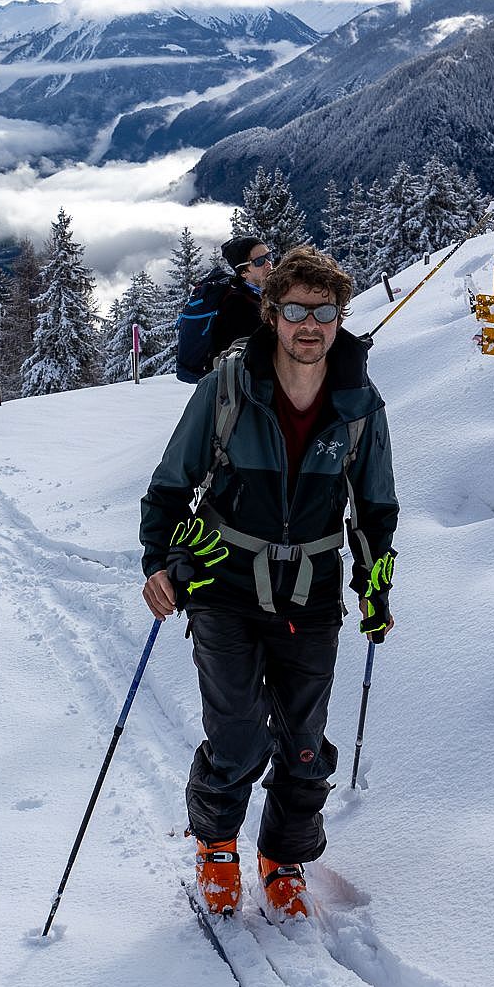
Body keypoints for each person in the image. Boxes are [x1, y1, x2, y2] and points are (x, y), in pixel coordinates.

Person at [139, 247, 399, 921]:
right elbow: (169, 487)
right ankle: (218, 843)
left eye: (323, 310)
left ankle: (282, 854)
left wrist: (375, 585)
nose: (308, 324)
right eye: (294, 310)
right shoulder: (228, 388)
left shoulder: (359, 405)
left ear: (340, 317)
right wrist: (159, 563)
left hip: (311, 591)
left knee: (305, 744)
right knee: (239, 739)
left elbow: (375, 507)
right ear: (271, 314)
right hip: (224, 583)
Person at [172, 236, 276, 383]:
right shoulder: (239, 306)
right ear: (243, 272)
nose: (269, 264)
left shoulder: (254, 296)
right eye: (259, 261)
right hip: (239, 391)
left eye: (268, 256)